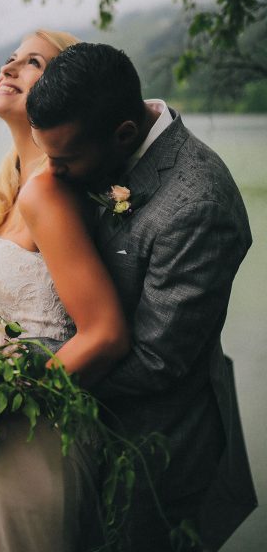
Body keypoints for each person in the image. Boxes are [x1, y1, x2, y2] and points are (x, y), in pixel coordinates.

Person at [25, 42, 258, 551]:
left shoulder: (198, 203)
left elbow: (157, 358)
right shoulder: (102, 138)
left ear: (124, 135)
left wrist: (26, 391)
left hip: (156, 456)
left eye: (64, 160)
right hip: (86, 439)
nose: (52, 172)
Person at [0, 29, 131, 552]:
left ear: (63, 91)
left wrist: (3, 401)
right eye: (9, 58)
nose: (9, 69)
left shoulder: (49, 192)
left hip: (30, 431)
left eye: (33, 62)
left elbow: (105, 334)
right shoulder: (10, 185)